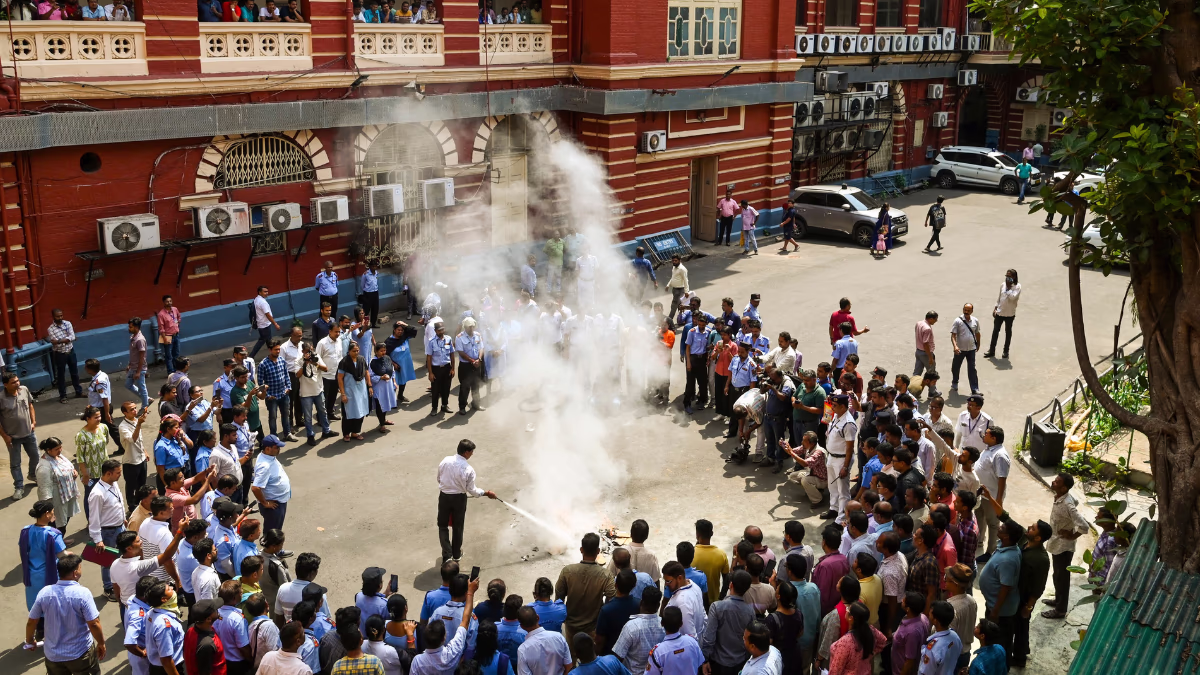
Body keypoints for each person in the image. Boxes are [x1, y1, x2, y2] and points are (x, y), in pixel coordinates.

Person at [25, 553, 106, 673]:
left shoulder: (45, 592)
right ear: (75, 573)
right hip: (80, 654)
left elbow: (32, 621)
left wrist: (30, 641)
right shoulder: (83, 594)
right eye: (80, 568)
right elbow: (94, 623)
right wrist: (101, 643)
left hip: (53, 656)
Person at [437, 439, 499, 563]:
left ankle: (447, 555)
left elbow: (439, 478)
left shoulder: (445, 461)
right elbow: (472, 490)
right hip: (459, 499)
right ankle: (456, 554)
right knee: (457, 526)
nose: (472, 454)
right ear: (466, 452)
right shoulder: (468, 469)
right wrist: (486, 493)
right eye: (471, 452)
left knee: (443, 526)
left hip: (444, 496)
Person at [555, 532, 617, 642]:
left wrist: (564, 618)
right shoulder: (605, 575)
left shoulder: (567, 571)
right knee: (591, 652)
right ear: (598, 551)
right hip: (593, 626)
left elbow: (559, 598)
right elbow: (613, 599)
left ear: (581, 550)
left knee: (571, 652)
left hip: (571, 626)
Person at [1043, 473, 1088, 619]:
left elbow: (1084, 525)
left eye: (1057, 482)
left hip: (1064, 547)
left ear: (1064, 488)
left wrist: (1073, 535)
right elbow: (1076, 501)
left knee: (1062, 578)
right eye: (1055, 480)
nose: (1053, 483)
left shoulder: (1067, 505)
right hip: (1056, 544)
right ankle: (1058, 600)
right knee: (1057, 575)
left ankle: (1060, 610)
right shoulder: (1062, 498)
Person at [977, 519, 1021, 659]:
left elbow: (1005, 587)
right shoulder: (1005, 545)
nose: (999, 528)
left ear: (1007, 536)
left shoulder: (1008, 560)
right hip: (994, 605)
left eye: (1002, 528)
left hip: (1001, 612)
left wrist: (995, 612)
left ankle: (1000, 666)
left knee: (999, 644)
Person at [698, 569, 754, 674]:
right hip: (740, 662)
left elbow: (709, 638)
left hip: (718, 663)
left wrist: (705, 660)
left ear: (730, 585)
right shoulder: (750, 611)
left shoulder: (717, 607)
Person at [1012, 520, 1051, 669]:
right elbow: (1007, 520)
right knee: (1020, 626)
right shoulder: (1026, 542)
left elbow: (1038, 586)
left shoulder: (1041, 559)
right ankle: (1022, 650)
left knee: (1021, 626)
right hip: (1015, 594)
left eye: (1033, 529)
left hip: (1024, 598)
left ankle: (1019, 658)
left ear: (1038, 538)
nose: (1029, 528)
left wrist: (1028, 606)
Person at [20, 499, 67, 618]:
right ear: (47, 514)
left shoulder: (26, 531)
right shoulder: (53, 534)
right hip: (49, 576)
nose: (53, 514)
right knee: (51, 609)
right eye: (52, 512)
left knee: (35, 608)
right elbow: (62, 555)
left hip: (31, 576)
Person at [2, 372, 39, 501]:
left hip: (29, 432)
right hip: (12, 437)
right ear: (5, 385)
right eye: (13, 382)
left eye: (17, 380)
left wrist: (33, 422)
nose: (17, 383)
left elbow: (30, 405)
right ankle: (18, 487)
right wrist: (5, 436)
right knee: (15, 464)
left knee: (35, 456)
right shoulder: (1, 398)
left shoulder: (24, 390)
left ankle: (32, 475)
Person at [611, 587, 664, 673]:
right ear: (658, 606)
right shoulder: (664, 625)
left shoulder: (631, 627)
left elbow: (618, 656)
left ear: (641, 602)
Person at [35, 436, 81, 532]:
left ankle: (59, 538)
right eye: (57, 449)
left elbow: (68, 467)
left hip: (67, 496)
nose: (60, 450)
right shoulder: (44, 467)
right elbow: (44, 490)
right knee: (57, 525)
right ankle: (56, 540)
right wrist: (49, 509)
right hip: (56, 501)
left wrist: (74, 472)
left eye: (60, 447)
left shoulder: (59, 457)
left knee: (65, 520)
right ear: (48, 450)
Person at [826, 602, 884, 675]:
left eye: (848, 609)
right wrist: (870, 655)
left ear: (851, 618)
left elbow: (835, 671)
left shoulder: (844, 643)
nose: (846, 609)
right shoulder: (871, 630)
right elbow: (883, 641)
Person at [648, 607, 704, 675]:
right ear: (681, 623)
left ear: (662, 623)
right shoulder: (692, 642)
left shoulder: (658, 653)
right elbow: (700, 664)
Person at [252, 435, 292, 532]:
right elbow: (255, 488)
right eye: (276, 447)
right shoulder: (264, 466)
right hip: (274, 505)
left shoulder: (269, 456)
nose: (279, 449)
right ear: (267, 449)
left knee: (276, 531)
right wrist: (265, 503)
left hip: (279, 500)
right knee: (272, 533)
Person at [260, 339, 297, 442]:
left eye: (279, 349)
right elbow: (261, 383)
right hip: (272, 397)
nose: (278, 351)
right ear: (270, 350)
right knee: (273, 417)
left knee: (286, 415)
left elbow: (286, 375)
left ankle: (287, 433)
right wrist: (267, 395)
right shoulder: (263, 364)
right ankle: (274, 437)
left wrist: (288, 387)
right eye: (275, 350)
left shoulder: (282, 360)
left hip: (283, 394)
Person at [46, 309, 85, 404]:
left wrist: (60, 341)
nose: (60, 318)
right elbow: (56, 342)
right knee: (61, 375)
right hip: (60, 354)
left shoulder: (67, 323)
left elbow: (72, 336)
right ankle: (63, 396)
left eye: (61, 315)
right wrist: (67, 339)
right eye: (58, 316)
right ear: (53, 317)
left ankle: (78, 392)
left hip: (70, 351)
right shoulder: (51, 329)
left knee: (74, 373)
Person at [337, 342, 372, 441]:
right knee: (349, 413)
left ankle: (355, 432)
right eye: (354, 351)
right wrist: (343, 394)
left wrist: (369, 385)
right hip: (350, 391)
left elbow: (366, 372)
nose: (356, 353)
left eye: (357, 351)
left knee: (360, 411)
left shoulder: (361, 359)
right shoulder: (344, 362)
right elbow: (340, 378)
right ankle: (346, 434)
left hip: (361, 390)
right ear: (349, 351)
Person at [983, 270, 1021, 360]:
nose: (1007, 278)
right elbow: (999, 297)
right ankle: (991, 350)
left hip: (1010, 314)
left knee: (1008, 332)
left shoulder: (1017, 287)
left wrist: (1008, 288)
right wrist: (995, 308)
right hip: (1000, 312)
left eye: (1009, 277)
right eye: (1006, 276)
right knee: (995, 331)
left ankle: (1006, 351)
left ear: (1014, 277)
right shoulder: (1003, 285)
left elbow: (1013, 297)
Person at [919, 601, 962, 675]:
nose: (929, 614)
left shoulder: (933, 648)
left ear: (935, 620)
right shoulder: (955, 636)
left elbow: (926, 672)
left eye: (930, 613)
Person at [948, 304, 981, 396]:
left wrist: (978, 343)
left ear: (972, 311)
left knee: (972, 369)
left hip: (971, 349)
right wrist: (955, 346)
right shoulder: (957, 321)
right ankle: (955, 382)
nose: (966, 312)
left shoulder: (975, 320)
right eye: (965, 310)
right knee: (956, 367)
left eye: (968, 310)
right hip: (960, 349)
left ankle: (975, 389)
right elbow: (953, 335)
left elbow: (977, 333)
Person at [455, 318, 485, 415]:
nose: (471, 328)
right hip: (466, 365)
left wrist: (479, 359)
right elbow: (461, 352)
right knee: (465, 386)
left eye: (472, 326)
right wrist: (472, 361)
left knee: (476, 385)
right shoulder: (459, 337)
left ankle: (476, 404)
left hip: (477, 364)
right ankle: (462, 407)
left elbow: (481, 348)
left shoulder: (478, 335)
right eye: (469, 327)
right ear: (465, 327)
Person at [427, 321, 456, 417]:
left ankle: (444, 405)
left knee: (446, 388)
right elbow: (429, 358)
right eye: (439, 330)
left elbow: (452, 354)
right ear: (435, 331)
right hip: (436, 369)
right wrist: (430, 373)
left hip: (447, 368)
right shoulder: (431, 341)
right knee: (435, 389)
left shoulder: (448, 339)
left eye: (442, 329)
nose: (441, 332)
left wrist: (453, 368)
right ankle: (434, 408)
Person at [251, 286, 283, 358]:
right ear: (259, 292)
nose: (267, 293)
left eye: (267, 291)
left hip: (261, 324)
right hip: (264, 325)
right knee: (262, 341)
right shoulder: (262, 302)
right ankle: (251, 356)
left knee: (269, 342)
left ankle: (273, 353)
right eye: (265, 292)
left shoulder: (256, 299)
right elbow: (268, 314)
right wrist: (275, 324)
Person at [127, 317, 151, 408]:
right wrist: (129, 364)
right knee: (128, 384)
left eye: (131, 327)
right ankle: (146, 399)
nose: (129, 329)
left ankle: (145, 406)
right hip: (133, 367)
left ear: (136, 327)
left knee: (142, 387)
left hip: (139, 368)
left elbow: (142, 357)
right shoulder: (133, 337)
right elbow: (134, 354)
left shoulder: (140, 340)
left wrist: (138, 372)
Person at [665, 255, 690, 320]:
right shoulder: (674, 267)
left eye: (675, 261)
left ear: (679, 260)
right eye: (673, 261)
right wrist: (668, 285)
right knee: (679, 305)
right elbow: (673, 277)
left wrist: (686, 291)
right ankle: (682, 319)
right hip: (675, 289)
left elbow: (685, 280)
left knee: (674, 304)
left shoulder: (682, 269)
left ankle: (669, 319)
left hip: (680, 290)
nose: (674, 262)